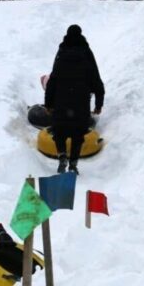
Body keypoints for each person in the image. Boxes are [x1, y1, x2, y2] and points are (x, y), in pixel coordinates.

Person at [44, 24, 105, 174]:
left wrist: (48, 103)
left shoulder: (62, 52)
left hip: (61, 100)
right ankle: (73, 164)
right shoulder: (86, 52)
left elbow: (53, 80)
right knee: (78, 134)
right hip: (81, 102)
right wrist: (98, 104)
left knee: (60, 131)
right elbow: (96, 79)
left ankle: (62, 155)